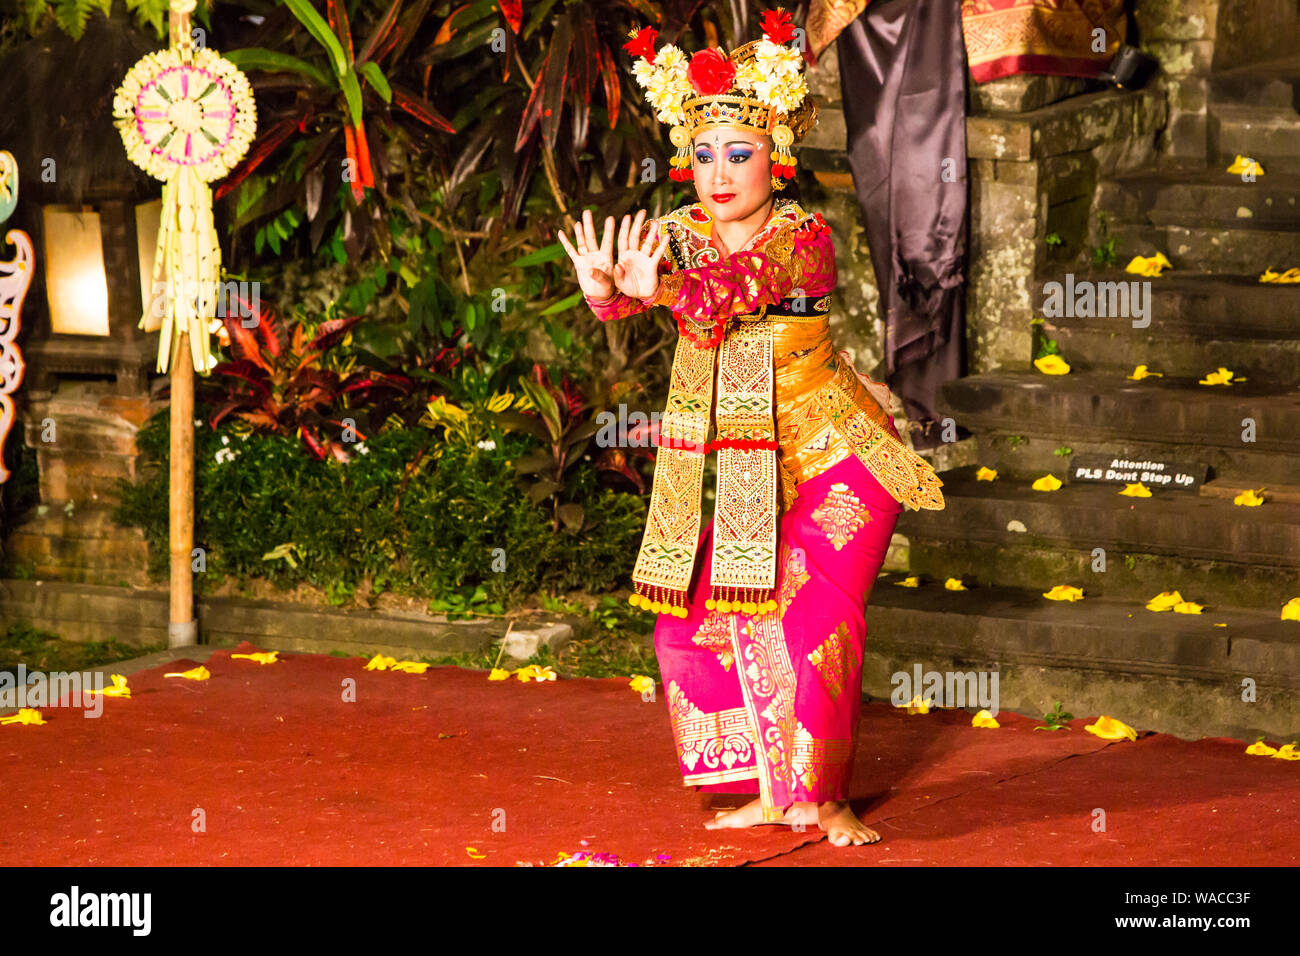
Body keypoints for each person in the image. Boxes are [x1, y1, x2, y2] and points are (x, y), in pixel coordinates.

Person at [556, 9, 945, 847]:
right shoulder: (683, 235)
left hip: (844, 460)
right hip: (753, 478)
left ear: (778, 159)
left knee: (811, 621)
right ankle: (774, 791)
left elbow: (723, 295)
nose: (720, 174)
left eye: (740, 154)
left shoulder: (803, 240)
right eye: (704, 156)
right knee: (690, 618)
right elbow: (637, 289)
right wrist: (605, 288)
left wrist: (652, 290)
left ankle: (826, 795)